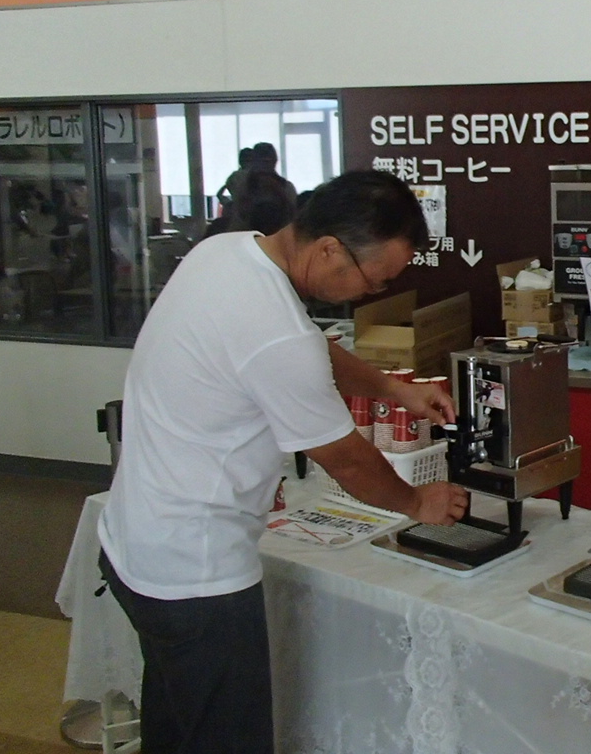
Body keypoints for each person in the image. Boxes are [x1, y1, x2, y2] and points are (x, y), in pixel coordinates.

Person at [97, 169, 469, 754]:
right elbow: (346, 459)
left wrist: (392, 389)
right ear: (329, 250)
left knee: (176, 727)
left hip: (136, 541)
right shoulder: (276, 330)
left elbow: (307, 345)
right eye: (375, 279)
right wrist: (417, 501)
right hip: (197, 575)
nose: (371, 293)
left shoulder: (226, 253)